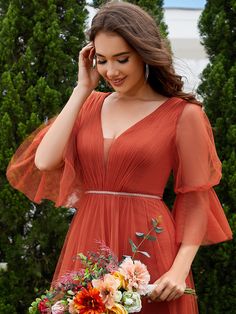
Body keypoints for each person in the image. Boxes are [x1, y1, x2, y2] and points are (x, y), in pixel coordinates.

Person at [6, 1, 232, 313]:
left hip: (149, 248)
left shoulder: (184, 114)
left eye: (122, 59)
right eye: (102, 60)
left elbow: (195, 197)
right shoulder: (88, 104)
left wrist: (180, 269)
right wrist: (82, 88)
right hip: (87, 242)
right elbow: (44, 161)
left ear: (144, 53)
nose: (111, 71)